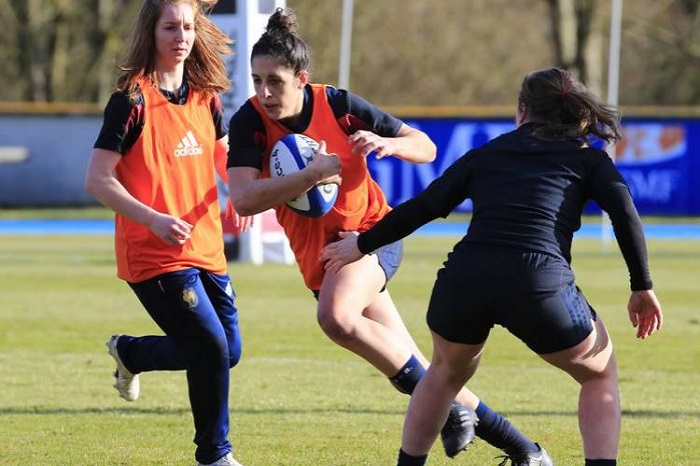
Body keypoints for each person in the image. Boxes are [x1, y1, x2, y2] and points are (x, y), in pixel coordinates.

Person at [227, 7, 550, 465]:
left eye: (274, 81)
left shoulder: (339, 105)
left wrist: (389, 144)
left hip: (372, 236)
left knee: (335, 318)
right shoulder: (249, 121)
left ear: (301, 78)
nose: (263, 91)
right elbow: (243, 200)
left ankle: (455, 415)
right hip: (323, 259)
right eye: (257, 80)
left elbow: (426, 146)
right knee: (429, 370)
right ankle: (526, 451)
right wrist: (311, 175)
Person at [321, 66, 665, 466]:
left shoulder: (488, 152)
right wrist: (641, 285)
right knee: (599, 374)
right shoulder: (586, 158)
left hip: (465, 279)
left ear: (522, 110)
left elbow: (426, 206)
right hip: (537, 284)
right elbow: (625, 212)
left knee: (444, 374)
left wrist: (361, 244)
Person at [84, 1, 251, 465]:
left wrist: (242, 191)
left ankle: (132, 353)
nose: (181, 36)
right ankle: (215, 455)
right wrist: (153, 218)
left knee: (227, 351)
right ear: (151, 33)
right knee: (211, 347)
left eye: (188, 27)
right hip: (154, 253)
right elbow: (97, 179)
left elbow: (223, 155)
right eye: (170, 26)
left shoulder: (205, 96)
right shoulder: (131, 101)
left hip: (205, 246)